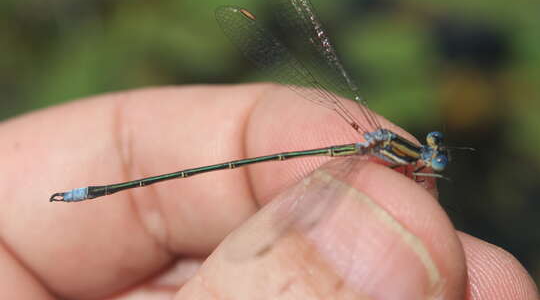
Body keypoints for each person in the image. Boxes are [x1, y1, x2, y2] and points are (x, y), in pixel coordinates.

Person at [1, 85, 537, 299]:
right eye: (433, 158)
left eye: (434, 157)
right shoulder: (393, 162)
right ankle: (88, 193)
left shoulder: (394, 159)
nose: (433, 161)